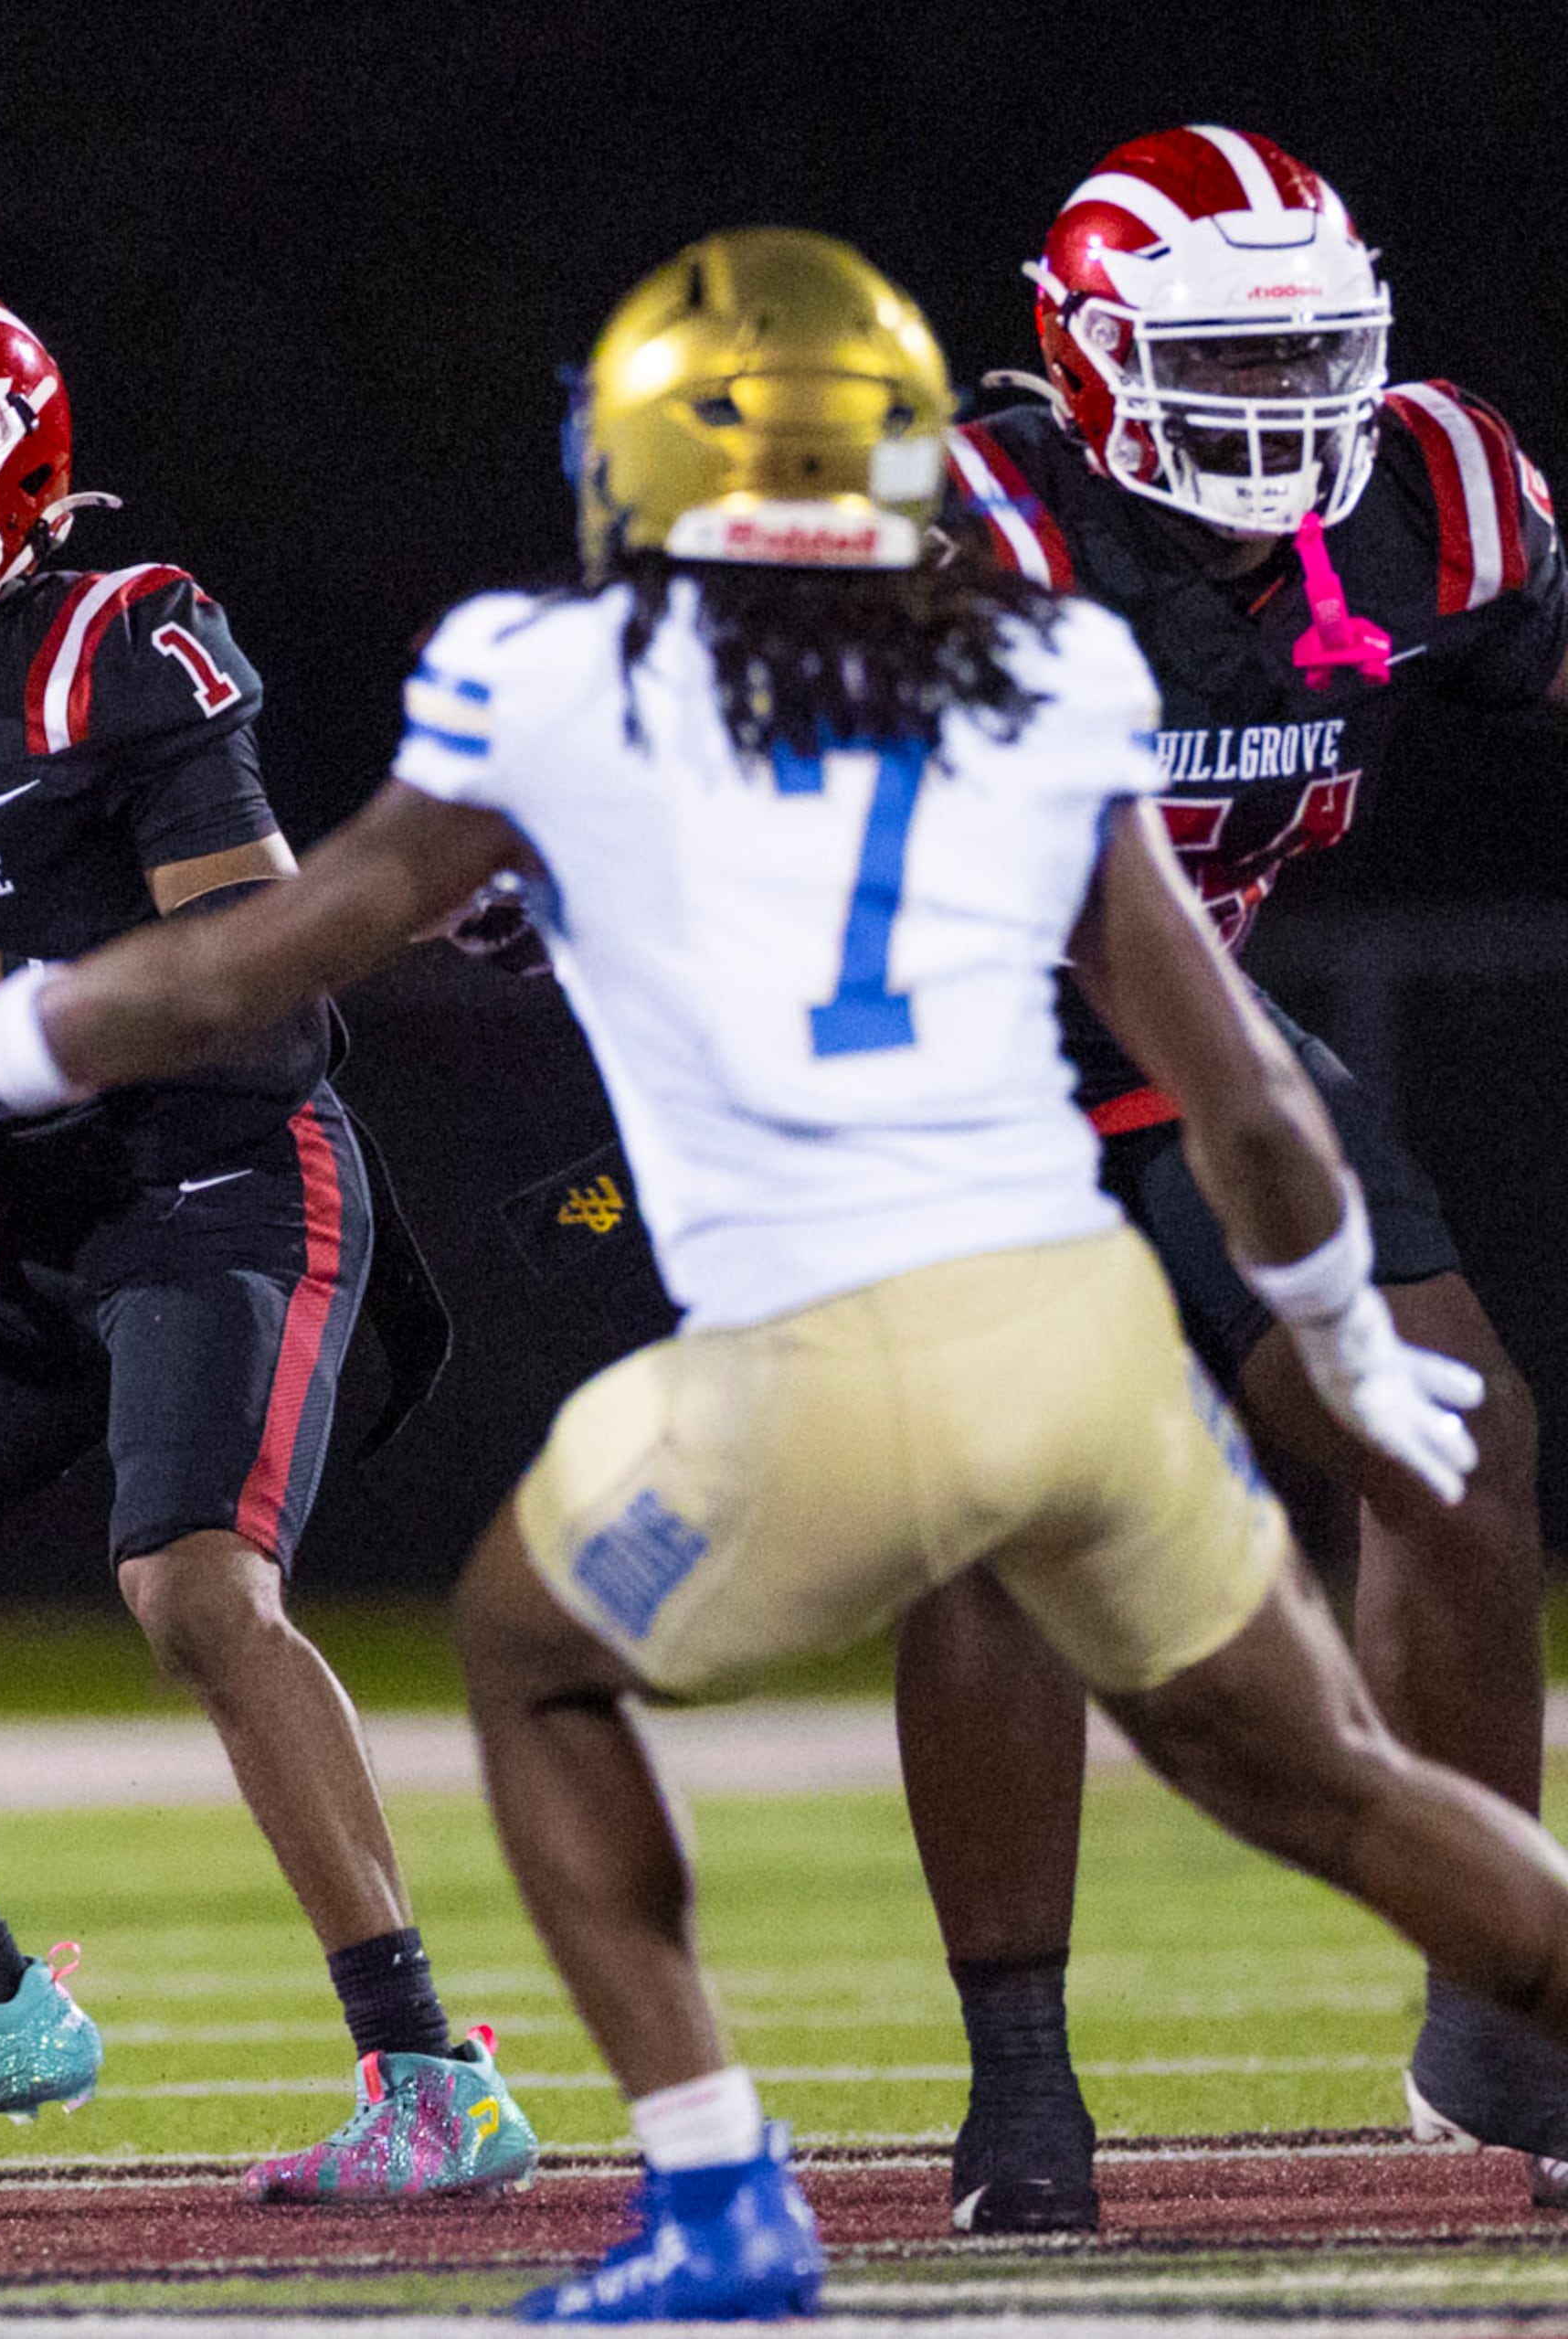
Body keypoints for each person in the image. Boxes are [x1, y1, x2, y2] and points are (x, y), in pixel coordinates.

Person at [0, 223, 1568, 2323]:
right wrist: (1348, 1329)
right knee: (1323, 1775)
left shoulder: (555, 682)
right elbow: (1255, 1100)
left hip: (833, 1348)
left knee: (534, 1650)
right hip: (1081, 1332)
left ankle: (720, 2191)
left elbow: (266, 953)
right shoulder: (1059, 668)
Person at [0, 272, 519, 2199]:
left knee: (197, 1587)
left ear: (10, 472)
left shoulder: (117, 644)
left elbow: (279, 1001)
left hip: (223, 1173)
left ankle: (429, 2076)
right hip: (31, 1215)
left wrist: (0, 971)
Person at [895, 124, 1568, 2227]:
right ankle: (1020, 2088)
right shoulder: (953, 529)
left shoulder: (1429, 502)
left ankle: (1507, 2012)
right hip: (935, 1058)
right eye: (1222, 363)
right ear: (1086, 358)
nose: (1280, 417)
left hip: (1209, 1045)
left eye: (1310, 359)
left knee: (1459, 1448)